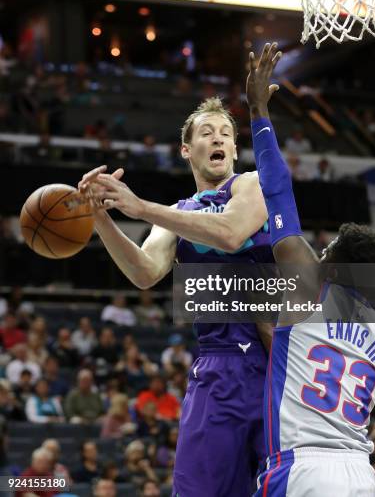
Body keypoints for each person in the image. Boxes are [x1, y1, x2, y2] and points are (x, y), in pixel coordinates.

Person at [79, 94, 275, 497]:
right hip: (217, 368)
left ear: (236, 149)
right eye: (207, 133)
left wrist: (140, 207)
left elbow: (231, 232)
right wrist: (100, 217)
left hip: (276, 362)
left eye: (225, 133)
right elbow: (145, 271)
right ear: (187, 150)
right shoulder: (177, 212)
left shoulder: (253, 184)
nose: (218, 139)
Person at [246, 43, 375, 497]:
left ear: (327, 264)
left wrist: (257, 111)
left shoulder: (309, 287)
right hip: (362, 475)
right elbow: (304, 357)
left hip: (303, 469)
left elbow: (277, 193)